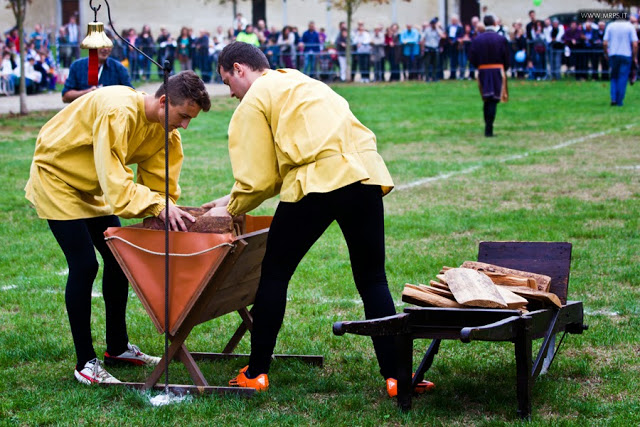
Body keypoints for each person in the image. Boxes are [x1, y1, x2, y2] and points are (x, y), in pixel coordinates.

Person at [205, 42, 434, 397]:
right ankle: (396, 377)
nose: (230, 92)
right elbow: (288, 164)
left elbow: (259, 180)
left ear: (239, 69)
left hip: (319, 183)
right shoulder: (299, 81)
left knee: (275, 274)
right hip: (364, 175)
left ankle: (256, 372)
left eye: (226, 81)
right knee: (372, 278)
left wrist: (231, 208)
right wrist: (228, 197)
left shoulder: (254, 100)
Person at [24, 71, 211, 385]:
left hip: (93, 185)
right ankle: (85, 363)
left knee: (117, 260)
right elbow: (117, 188)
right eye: (182, 116)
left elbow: (160, 184)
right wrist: (155, 205)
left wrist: (162, 209)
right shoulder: (118, 111)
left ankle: (118, 348)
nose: (185, 125)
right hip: (57, 177)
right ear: (164, 101)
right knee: (84, 265)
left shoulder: (165, 130)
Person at [469, 14, 510, 137]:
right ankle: (489, 129)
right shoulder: (501, 39)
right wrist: (504, 68)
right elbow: (507, 57)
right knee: (493, 99)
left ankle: (488, 127)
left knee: (487, 99)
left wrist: (479, 66)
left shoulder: (477, 40)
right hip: (497, 70)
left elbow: (472, 57)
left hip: (483, 71)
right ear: (495, 23)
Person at [61, 46, 132, 103]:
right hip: (85, 117)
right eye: (102, 45)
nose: (105, 49)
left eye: (108, 45)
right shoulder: (77, 66)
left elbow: (131, 95)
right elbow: (65, 97)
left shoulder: (119, 68)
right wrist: (87, 93)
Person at [604, 15, 638, 106]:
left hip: (613, 54)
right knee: (622, 77)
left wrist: (606, 54)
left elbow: (605, 42)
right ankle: (619, 101)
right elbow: (635, 44)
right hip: (626, 54)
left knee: (614, 77)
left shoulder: (610, 26)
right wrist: (634, 56)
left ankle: (613, 98)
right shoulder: (629, 26)